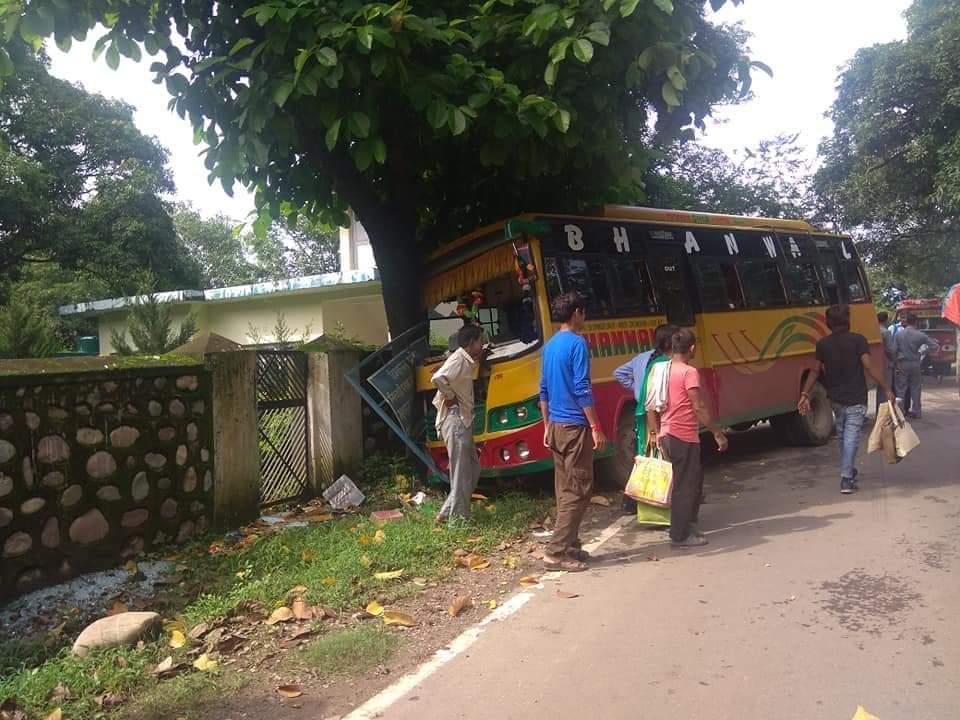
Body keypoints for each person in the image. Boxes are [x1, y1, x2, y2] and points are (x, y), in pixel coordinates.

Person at [539, 292, 608, 572]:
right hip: (573, 427)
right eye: (584, 312)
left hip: (555, 426)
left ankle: (570, 545)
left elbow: (543, 389)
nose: (585, 317)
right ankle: (556, 553)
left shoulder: (550, 346)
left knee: (564, 489)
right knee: (577, 490)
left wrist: (546, 425)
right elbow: (582, 388)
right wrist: (596, 426)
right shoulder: (578, 344)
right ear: (577, 313)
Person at [799, 305, 894, 494]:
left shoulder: (823, 344)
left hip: (835, 399)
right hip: (856, 397)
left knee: (843, 436)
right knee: (851, 437)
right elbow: (869, 366)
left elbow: (816, 371)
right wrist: (887, 388)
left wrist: (805, 393)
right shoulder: (858, 340)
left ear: (828, 323)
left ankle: (848, 470)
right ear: (848, 321)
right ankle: (846, 477)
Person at [649, 328, 728, 548]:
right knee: (686, 485)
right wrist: (717, 432)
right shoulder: (688, 372)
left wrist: (655, 432)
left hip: (666, 434)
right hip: (683, 436)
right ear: (691, 348)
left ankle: (687, 526)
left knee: (688, 482)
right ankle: (680, 534)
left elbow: (650, 406)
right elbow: (699, 406)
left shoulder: (659, 369)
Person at [613, 323, 678, 523]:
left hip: (642, 411)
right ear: (669, 341)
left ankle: (633, 501)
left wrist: (637, 390)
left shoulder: (642, 358)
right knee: (661, 456)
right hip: (655, 413)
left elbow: (618, 373)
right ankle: (663, 502)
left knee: (645, 456)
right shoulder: (664, 362)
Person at [431, 324, 486, 524]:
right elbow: (438, 378)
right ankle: (458, 519)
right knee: (461, 472)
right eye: (480, 341)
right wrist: (450, 396)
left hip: (462, 419)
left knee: (472, 469)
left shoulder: (466, 359)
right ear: (470, 343)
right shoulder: (457, 359)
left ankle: (446, 513)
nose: (482, 344)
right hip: (455, 420)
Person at [893, 311, 940, 418]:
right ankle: (916, 411)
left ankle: (900, 413)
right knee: (916, 388)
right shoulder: (920, 335)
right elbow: (935, 346)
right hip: (915, 363)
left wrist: (896, 363)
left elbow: (894, 350)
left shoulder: (898, 334)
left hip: (902, 363)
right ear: (916, 322)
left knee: (901, 389)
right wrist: (922, 352)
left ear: (906, 322)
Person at [876, 311, 895, 409]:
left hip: (874, 364)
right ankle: (885, 414)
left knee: (879, 389)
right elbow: (890, 350)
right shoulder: (886, 332)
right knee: (886, 388)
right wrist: (895, 362)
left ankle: (878, 410)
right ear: (886, 320)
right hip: (886, 363)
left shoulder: (873, 331)